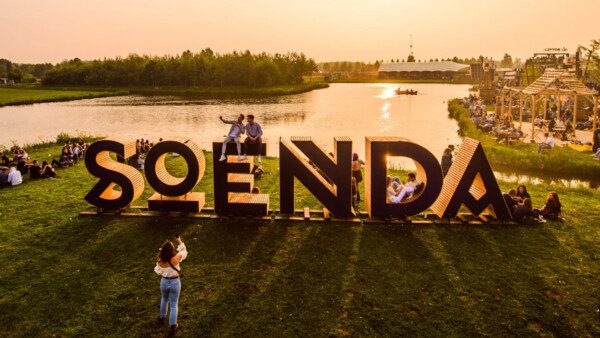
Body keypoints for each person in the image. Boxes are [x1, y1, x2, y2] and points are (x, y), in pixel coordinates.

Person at [154, 235, 188, 334]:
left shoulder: (160, 262)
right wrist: (180, 241)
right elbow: (185, 251)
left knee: (164, 299)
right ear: (171, 250)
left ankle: (162, 317)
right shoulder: (177, 258)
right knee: (174, 304)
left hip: (164, 282)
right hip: (175, 282)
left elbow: (157, 271)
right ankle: (173, 325)